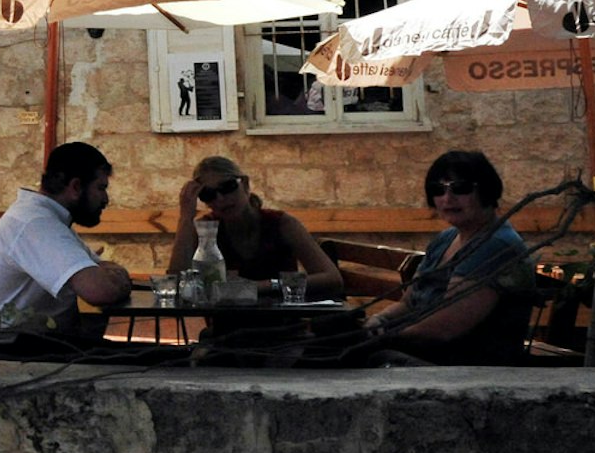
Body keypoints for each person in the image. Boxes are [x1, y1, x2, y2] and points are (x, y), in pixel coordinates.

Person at [0, 142, 134, 357]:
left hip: (32, 341)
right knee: (154, 362)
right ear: (76, 187)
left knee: (145, 355)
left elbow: (98, 269)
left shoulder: (46, 219)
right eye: (101, 188)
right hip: (5, 351)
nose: (106, 199)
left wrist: (110, 277)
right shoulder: (36, 223)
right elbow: (99, 290)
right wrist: (121, 280)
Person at [360, 150, 534, 364]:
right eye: (438, 190)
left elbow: (446, 328)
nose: (447, 198)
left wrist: (383, 337)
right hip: (425, 353)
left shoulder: (496, 245)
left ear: (487, 190)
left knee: (365, 360)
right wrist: (380, 319)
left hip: (469, 367)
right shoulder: (446, 239)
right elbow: (409, 301)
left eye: (460, 188)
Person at [165, 156, 341, 298]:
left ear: (246, 185)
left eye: (228, 187)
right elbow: (176, 281)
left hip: (281, 327)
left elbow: (332, 278)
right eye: (208, 195)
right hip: (227, 330)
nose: (220, 199)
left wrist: (261, 287)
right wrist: (186, 217)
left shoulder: (280, 223)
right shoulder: (207, 230)